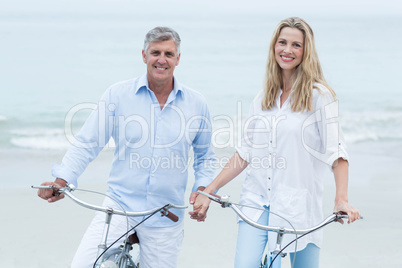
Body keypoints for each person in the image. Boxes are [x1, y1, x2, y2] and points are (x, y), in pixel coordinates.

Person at [37, 26, 215, 268]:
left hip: (166, 212)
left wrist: (203, 190)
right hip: (119, 205)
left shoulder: (197, 103)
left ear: (178, 59)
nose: (161, 59)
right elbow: (88, 142)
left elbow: (205, 157)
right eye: (155, 53)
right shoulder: (118, 95)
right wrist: (62, 181)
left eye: (169, 54)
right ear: (144, 56)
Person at [189, 17, 361, 268]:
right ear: (274, 47)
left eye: (296, 45)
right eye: (282, 42)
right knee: (245, 264)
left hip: (299, 206)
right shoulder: (262, 98)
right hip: (256, 202)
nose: (287, 50)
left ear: (306, 52)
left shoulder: (319, 97)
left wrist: (341, 199)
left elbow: (337, 154)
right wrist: (209, 190)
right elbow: (245, 153)